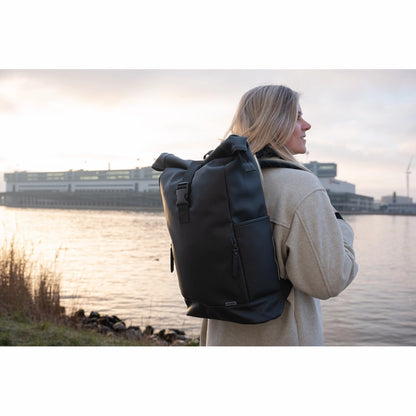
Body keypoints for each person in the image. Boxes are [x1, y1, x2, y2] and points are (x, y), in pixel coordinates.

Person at [200, 84, 358, 346]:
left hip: (219, 339)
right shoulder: (299, 186)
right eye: (297, 117)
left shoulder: (214, 179)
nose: (307, 125)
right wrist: (340, 225)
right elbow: (329, 281)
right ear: (274, 122)